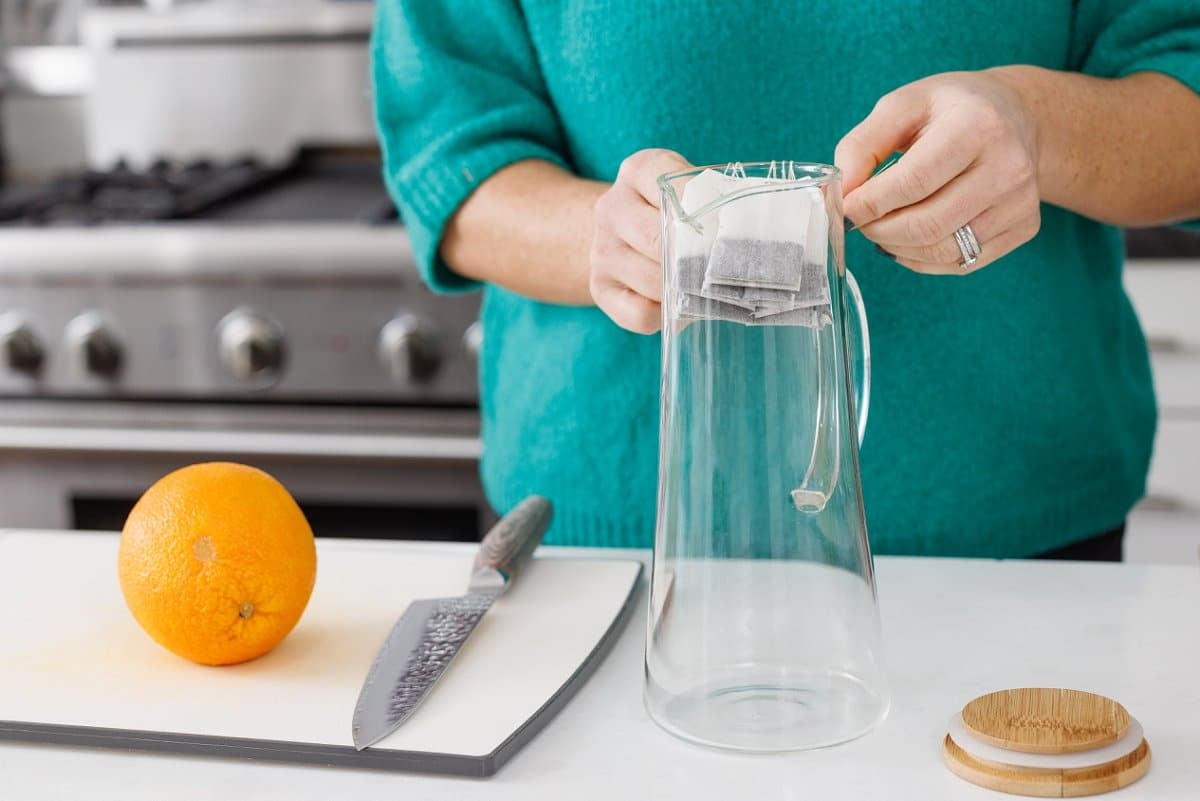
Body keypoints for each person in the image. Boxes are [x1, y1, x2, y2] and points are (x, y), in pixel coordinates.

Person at [372, 2, 1200, 560]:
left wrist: (1039, 126)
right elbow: (451, 156)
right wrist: (610, 236)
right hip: (603, 547)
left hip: (1024, 530)